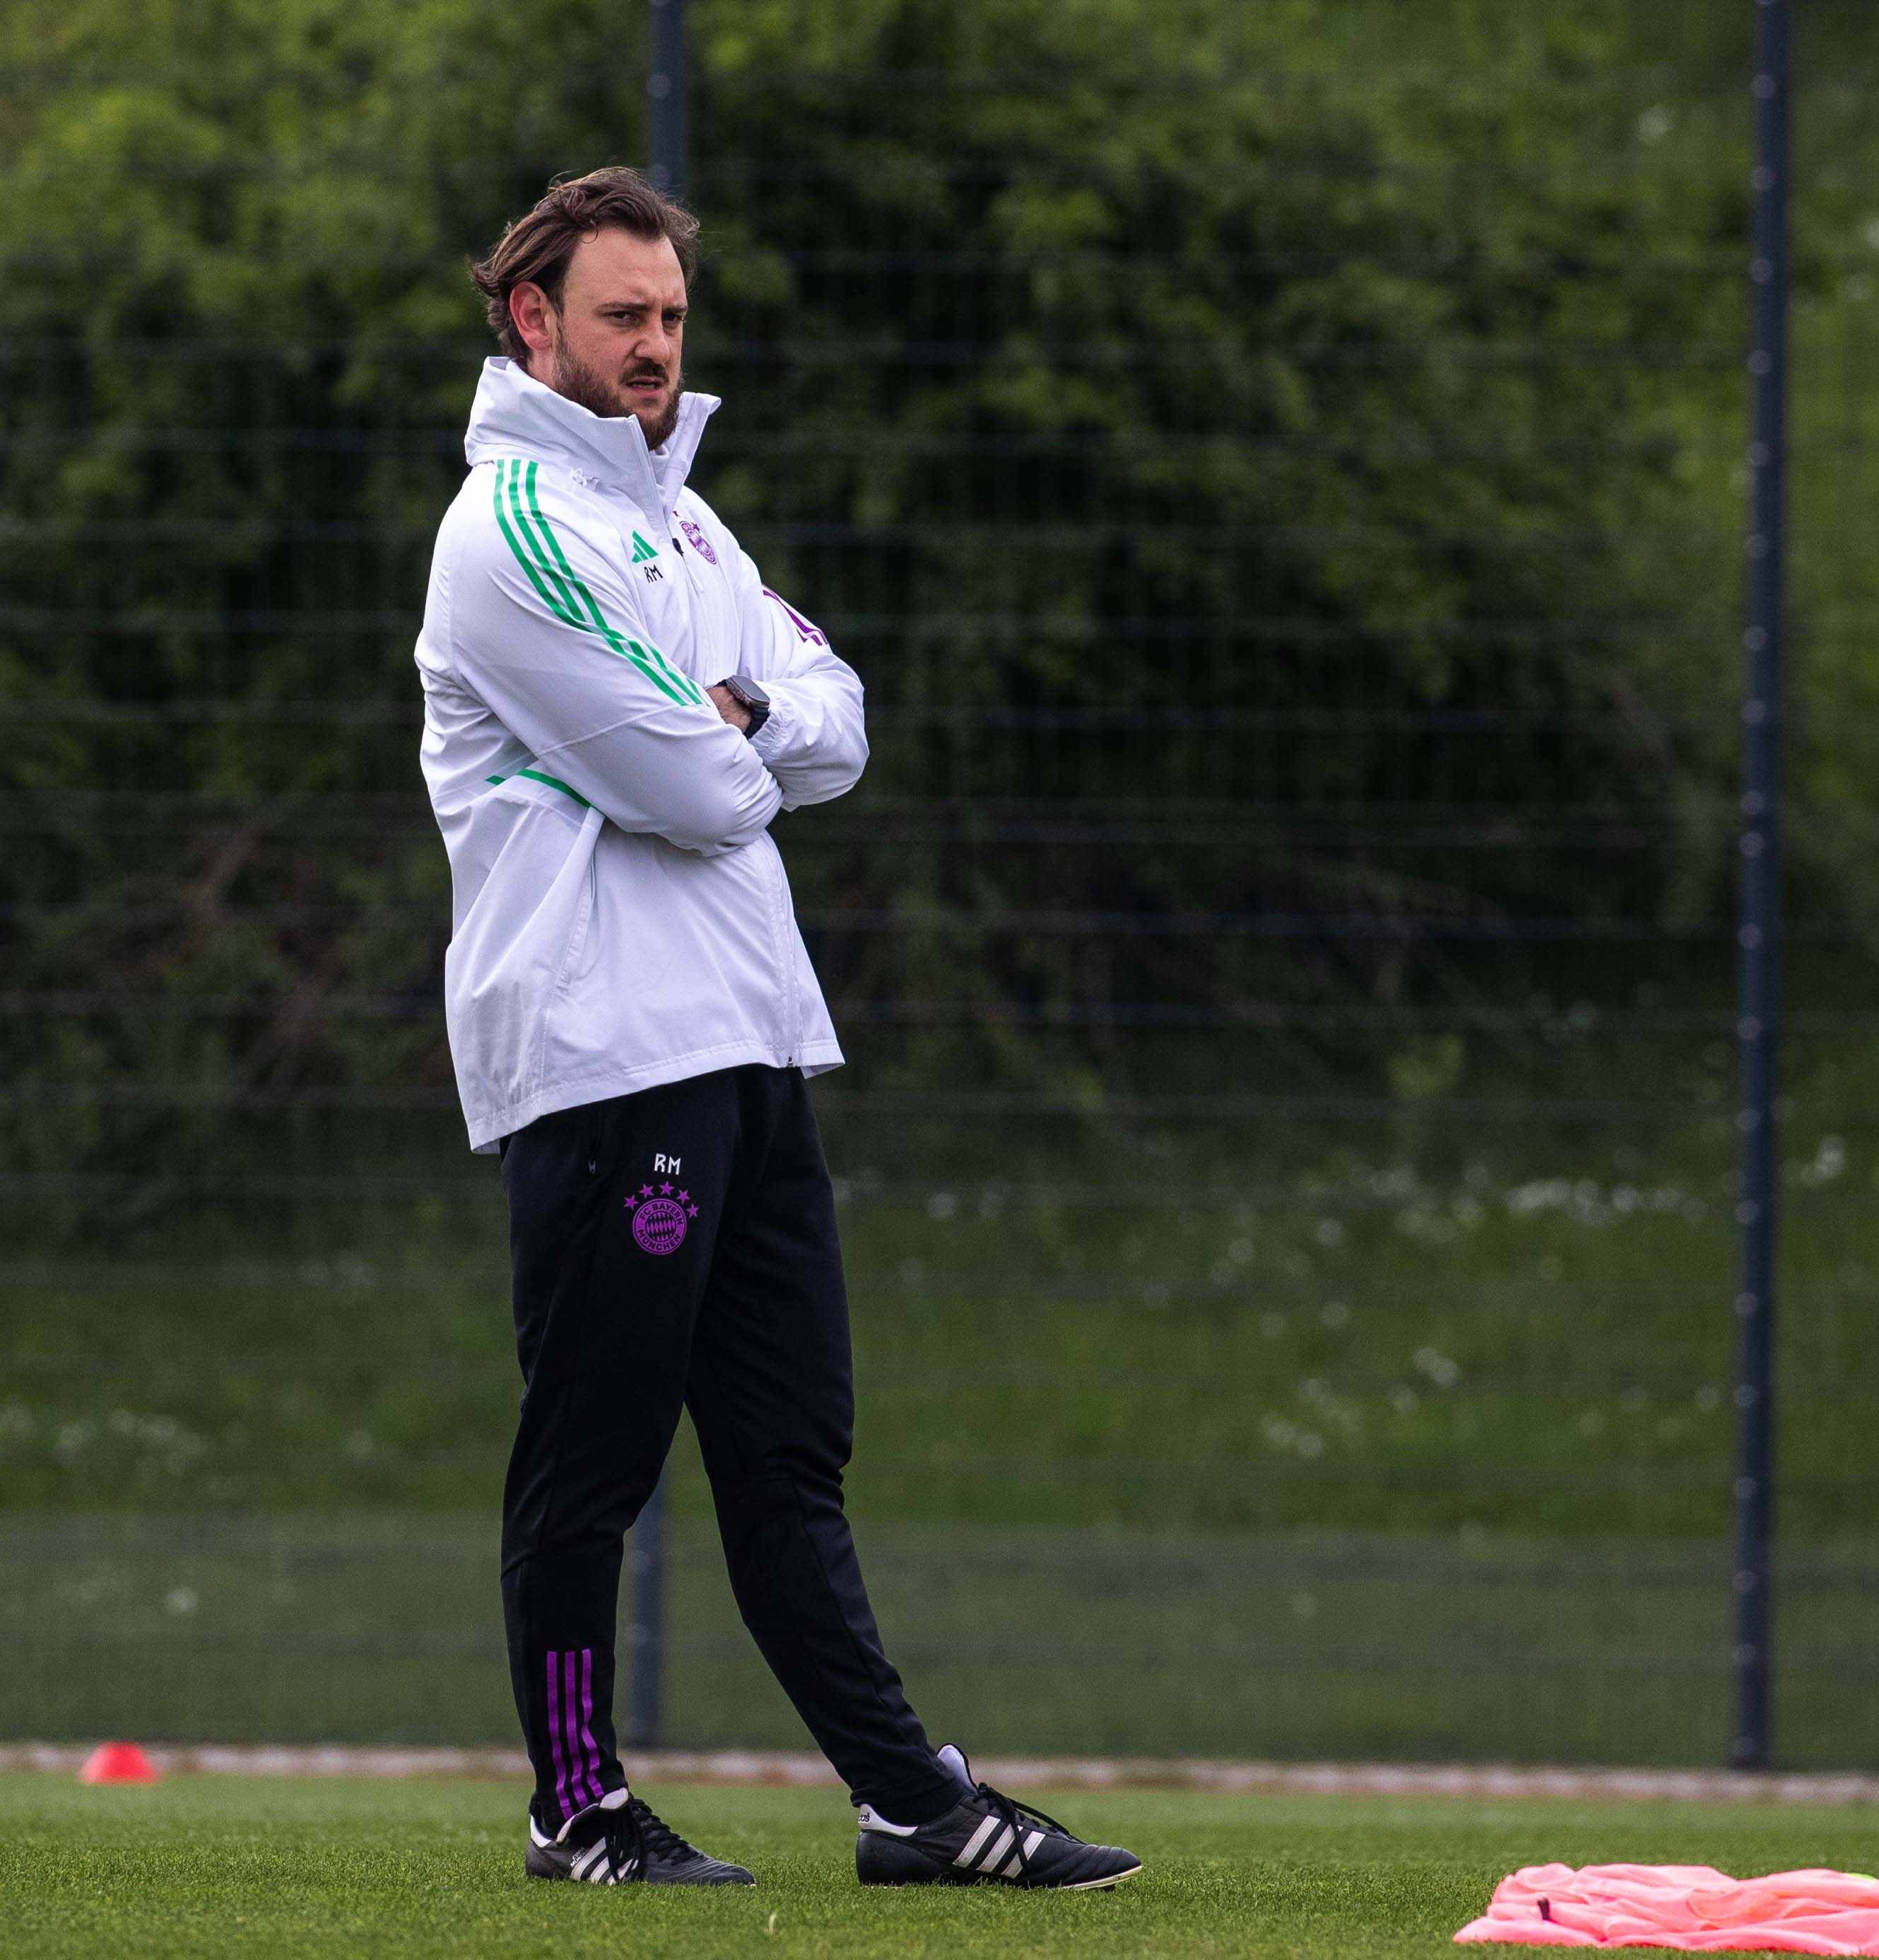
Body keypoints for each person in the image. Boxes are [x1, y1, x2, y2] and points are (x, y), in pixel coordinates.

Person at [413, 165, 1143, 1893]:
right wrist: (731, 721)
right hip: (606, 1061)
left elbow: (836, 721)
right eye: (621, 316)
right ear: (535, 323)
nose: (654, 345)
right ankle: (574, 1809)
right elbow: (702, 779)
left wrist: (726, 715)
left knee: (787, 1454)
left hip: (745, 1044)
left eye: (669, 315)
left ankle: (912, 1803)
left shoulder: (682, 520)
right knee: (588, 1459)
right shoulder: (508, 530)